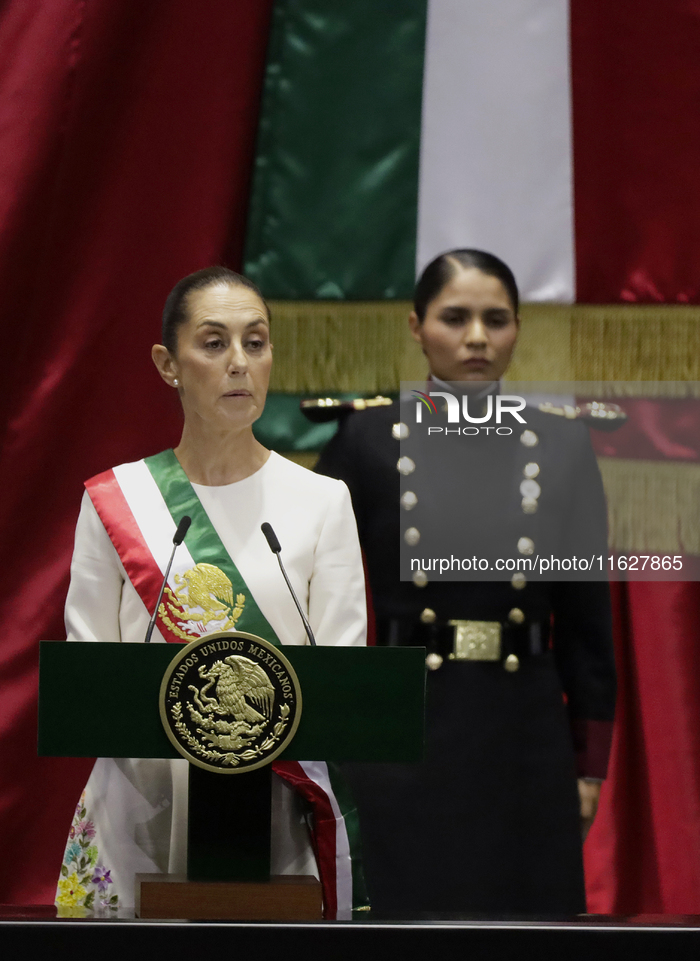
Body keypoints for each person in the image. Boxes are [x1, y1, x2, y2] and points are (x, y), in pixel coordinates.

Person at [54, 267, 366, 918]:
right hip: (138, 815)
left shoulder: (322, 502)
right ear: (168, 364)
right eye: (214, 343)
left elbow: (345, 678)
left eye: (256, 343)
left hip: (273, 821)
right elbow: (92, 676)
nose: (238, 364)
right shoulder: (116, 501)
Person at [315, 249, 616, 916]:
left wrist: (588, 764)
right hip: (399, 732)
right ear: (417, 326)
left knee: (525, 928)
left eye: (496, 319)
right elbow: (324, 610)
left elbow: (589, 625)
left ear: (516, 329)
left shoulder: (562, 448)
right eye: (455, 317)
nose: (477, 337)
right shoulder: (365, 441)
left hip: (522, 732)